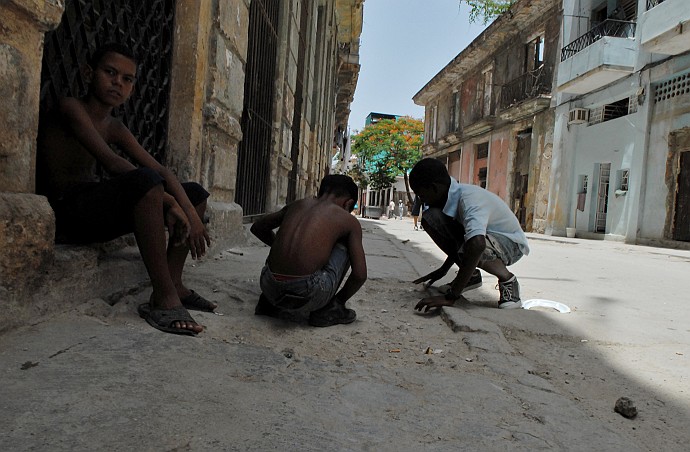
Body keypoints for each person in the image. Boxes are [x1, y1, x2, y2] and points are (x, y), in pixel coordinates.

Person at [36, 42, 216, 336]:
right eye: (110, 72)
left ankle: (173, 285)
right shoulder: (71, 107)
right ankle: (165, 298)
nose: (117, 82)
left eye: (127, 79)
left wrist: (192, 216)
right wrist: (169, 203)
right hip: (65, 212)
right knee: (145, 183)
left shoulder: (115, 126)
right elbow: (112, 162)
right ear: (88, 73)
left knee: (194, 193)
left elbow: (162, 170)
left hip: (93, 208)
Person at [409, 158, 529, 311]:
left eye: (421, 194)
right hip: (486, 239)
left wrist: (451, 297)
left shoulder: (468, 200)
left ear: (434, 188)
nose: (420, 199)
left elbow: (476, 245)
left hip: (511, 244)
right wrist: (443, 269)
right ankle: (470, 277)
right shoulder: (450, 198)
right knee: (430, 218)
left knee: (473, 245)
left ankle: (508, 280)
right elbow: (460, 240)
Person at [250, 175, 367, 327]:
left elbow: (258, 227)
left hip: (268, 287)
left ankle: (269, 304)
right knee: (347, 243)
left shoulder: (297, 205)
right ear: (348, 203)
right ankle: (334, 308)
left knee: (289, 240)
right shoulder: (347, 220)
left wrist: (282, 248)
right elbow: (360, 275)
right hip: (308, 295)